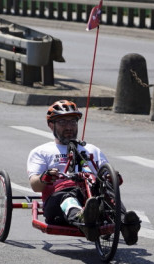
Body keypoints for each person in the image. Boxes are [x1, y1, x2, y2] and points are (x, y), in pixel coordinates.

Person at [27, 100, 141, 245]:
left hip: (90, 192)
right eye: (62, 122)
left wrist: (112, 178)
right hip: (59, 199)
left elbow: (108, 175)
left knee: (107, 192)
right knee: (68, 196)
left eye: (73, 122)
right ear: (51, 125)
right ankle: (82, 219)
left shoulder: (91, 150)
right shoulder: (41, 152)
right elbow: (35, 186)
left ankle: (125, 223)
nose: (69, 127)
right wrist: (45, 177)